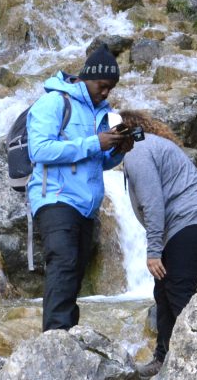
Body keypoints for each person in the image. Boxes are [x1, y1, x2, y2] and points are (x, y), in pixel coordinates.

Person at [119, 112, 197, 377]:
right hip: (189, 221)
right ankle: (165, 357)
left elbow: (153, 203)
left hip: (193, 218)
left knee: (178, 287)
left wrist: (153, 252)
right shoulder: (145, 146)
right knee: (163, 290)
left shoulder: (137, 151)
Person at [26, 45, 134, 332]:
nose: (106, 92)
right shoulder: (54, 103)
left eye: (111, 88)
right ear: (88, 77)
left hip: (86, 205)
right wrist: (94, 142)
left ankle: (68, 335)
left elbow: (96, 162)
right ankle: (55, 336)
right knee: (63, 262)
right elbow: (39, 150)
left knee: (73, 271)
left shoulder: (103, 112)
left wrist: (119, 150)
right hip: (55, 198)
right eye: (103, 86)